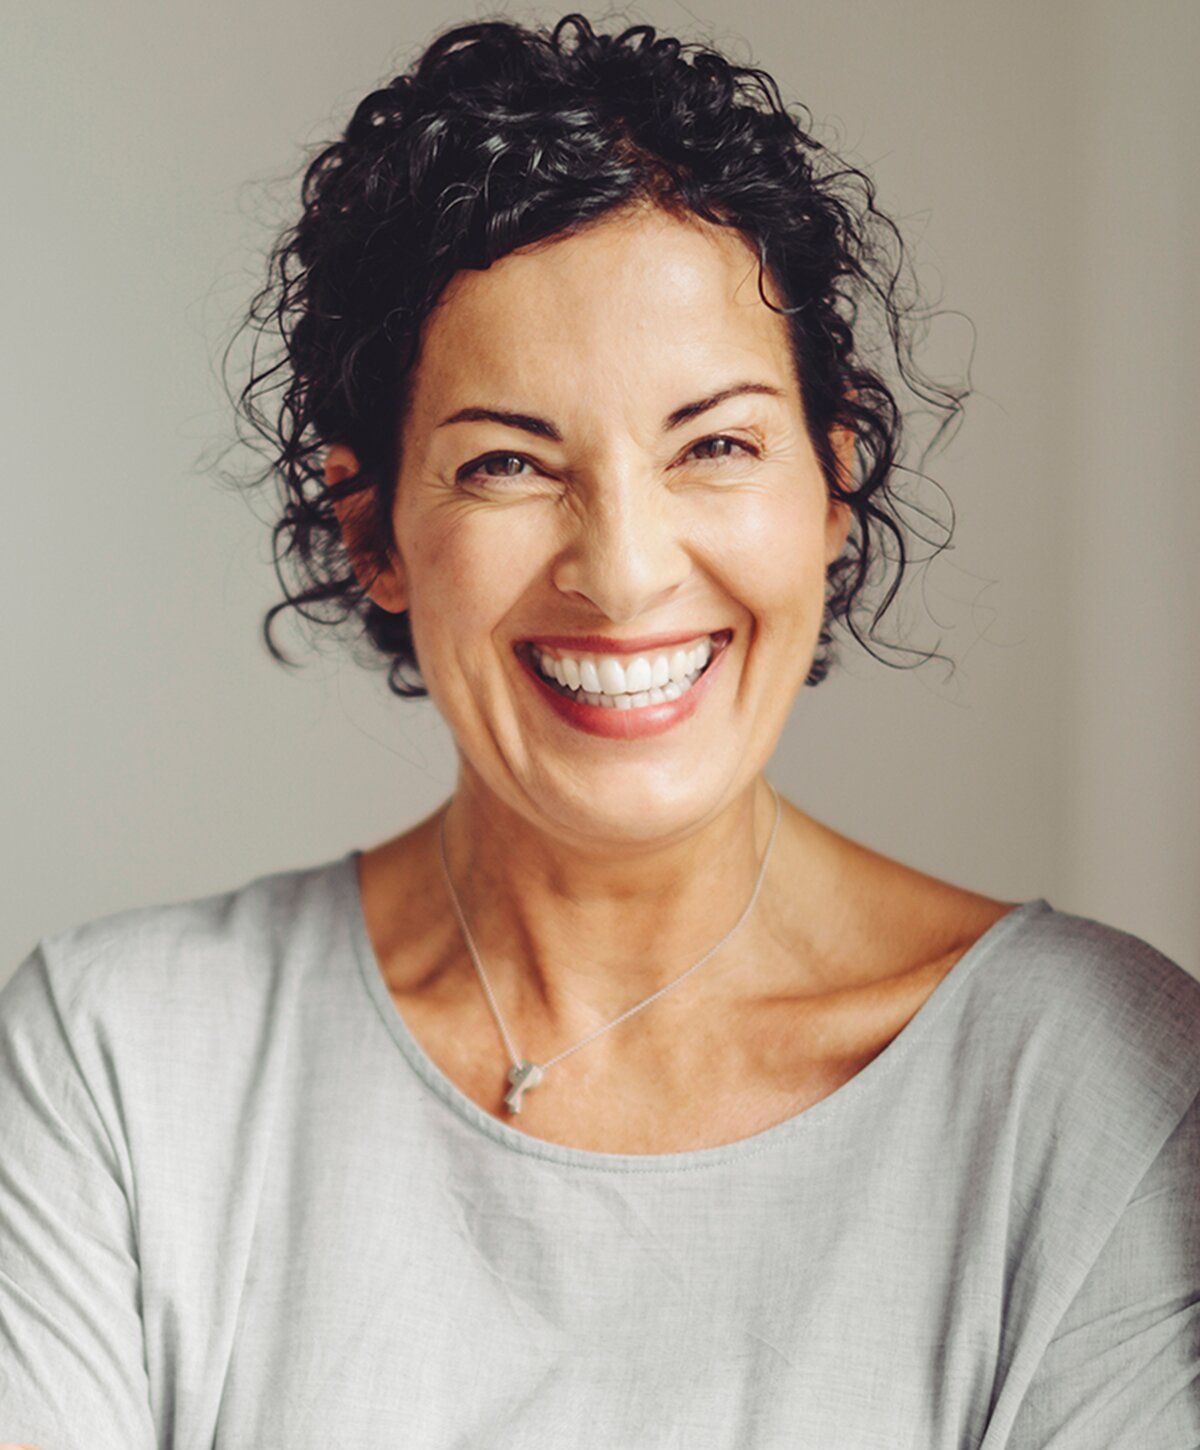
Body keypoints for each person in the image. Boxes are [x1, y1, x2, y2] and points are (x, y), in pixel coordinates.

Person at [2, 13, 1197, 1449]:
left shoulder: (1094, 1085)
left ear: (834, 483)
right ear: (371, 527)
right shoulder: (122, 1065)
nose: (624, 571)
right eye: (508, 460)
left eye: (715, 444)